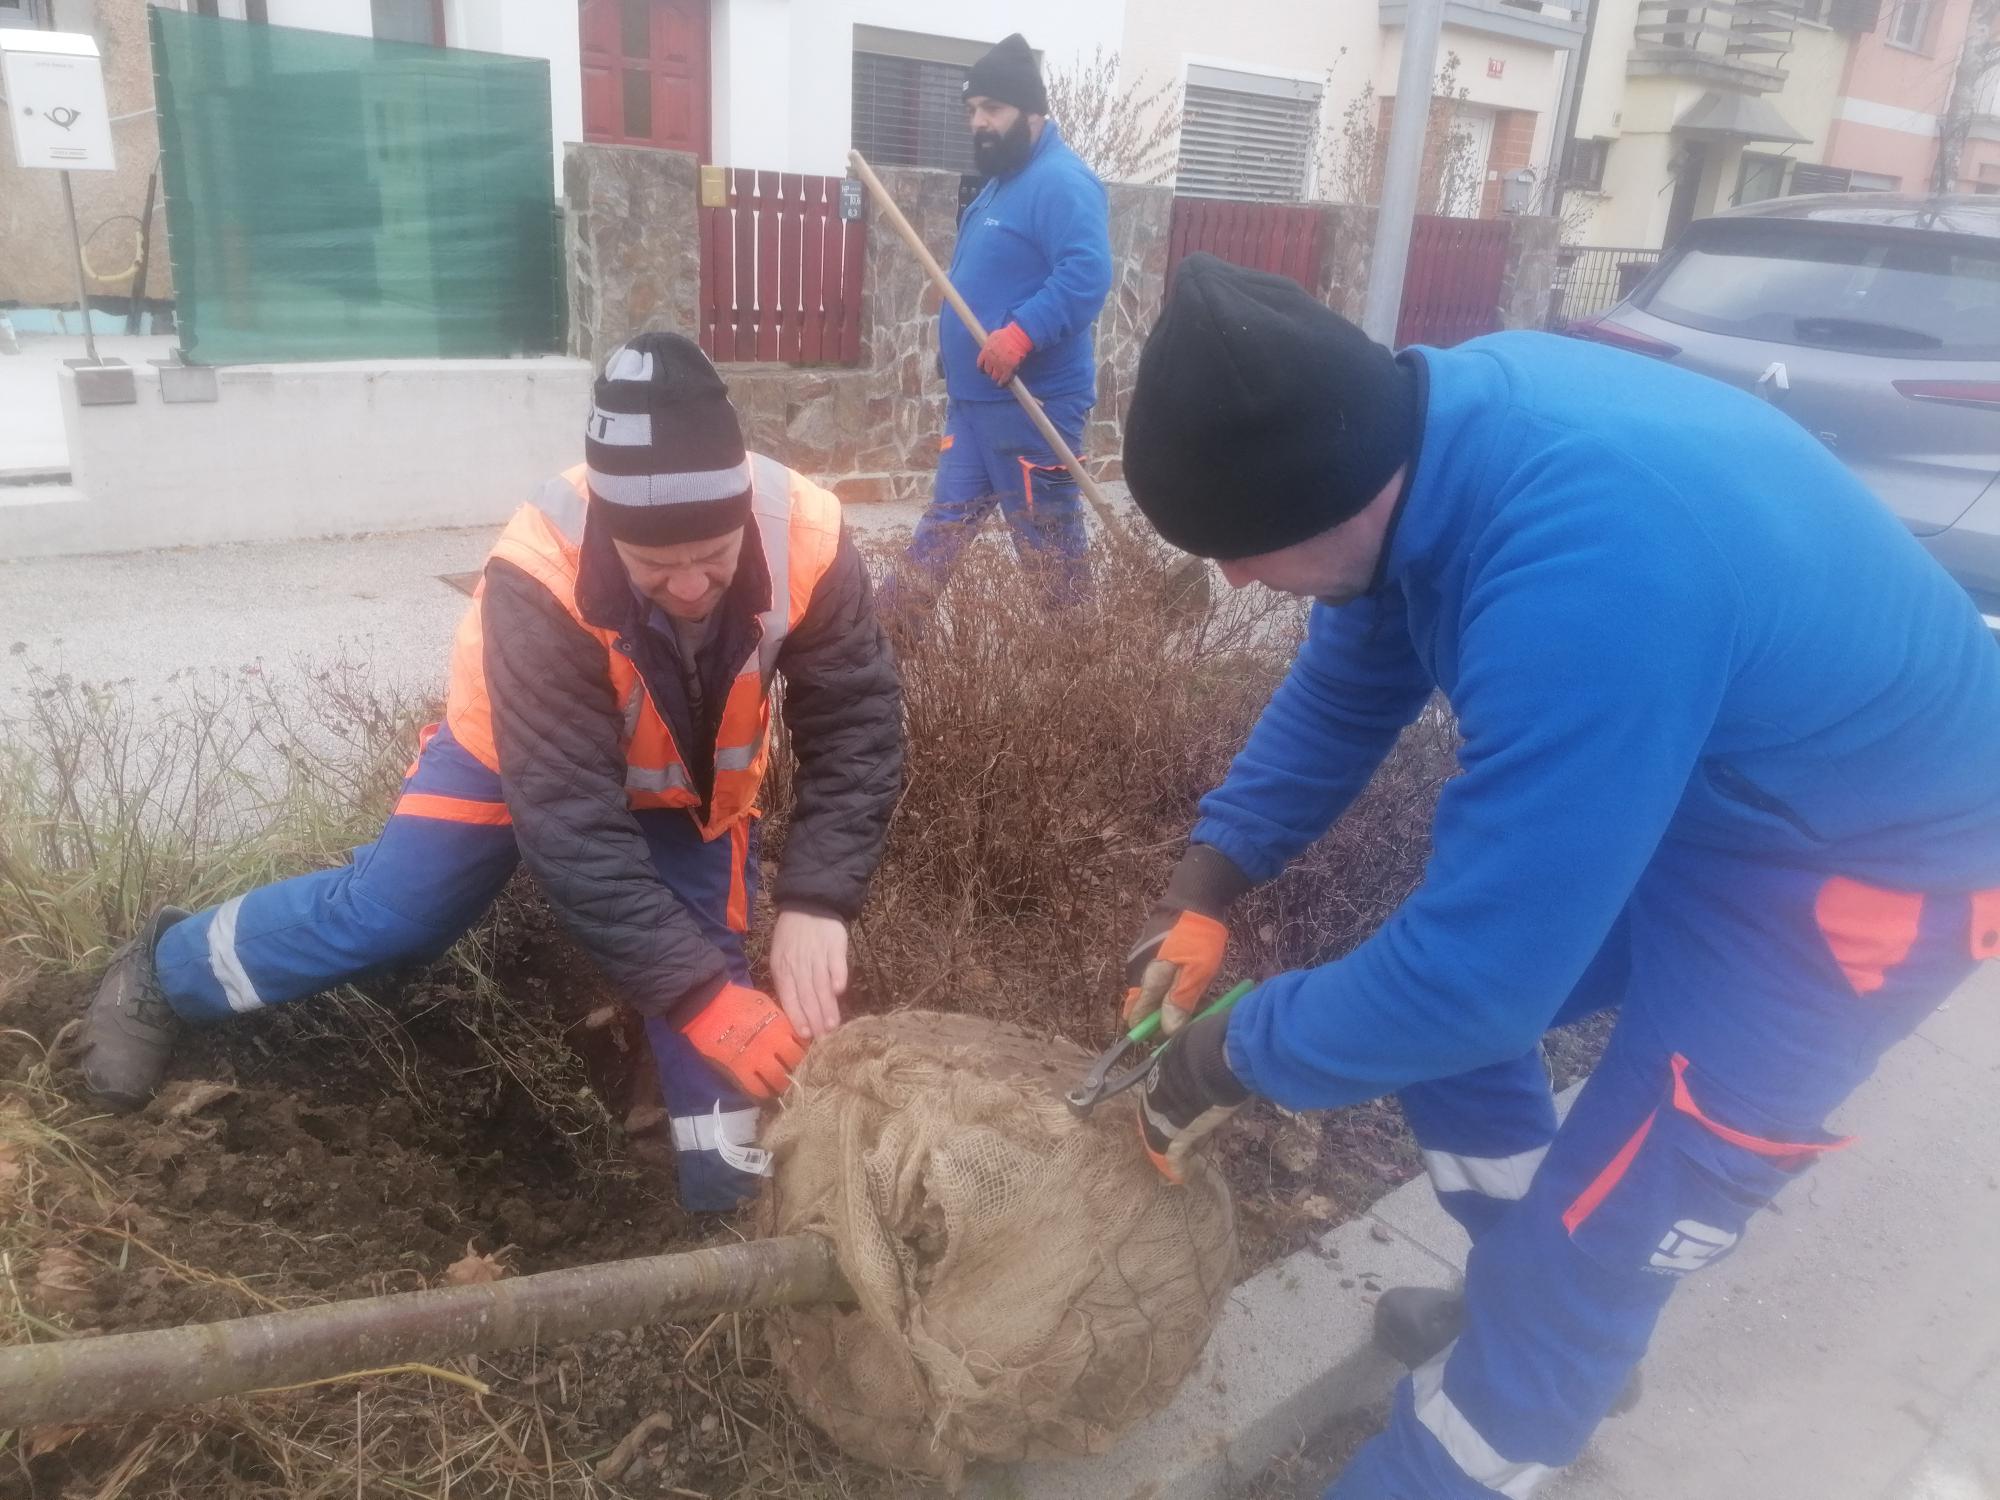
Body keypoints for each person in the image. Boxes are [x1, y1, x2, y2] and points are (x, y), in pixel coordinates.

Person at [1116, 254, 2000, 1498]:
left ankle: (1517, 1389)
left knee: (1594, 1247)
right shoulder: (1424, 440)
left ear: (1327, 498)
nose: (1231, 583)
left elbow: (1467, 986)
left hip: (1862, 875)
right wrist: (1204, 888)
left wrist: (1223, 1056)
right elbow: (1345, 685)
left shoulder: (1584, 568)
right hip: (1710, 781)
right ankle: (1515, 1283)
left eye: (1238, 550)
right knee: (1460, 1076)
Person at [80, 332, 903, 1212]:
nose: (694, 587)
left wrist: (817, 899)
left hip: (686, 782)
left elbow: (855, 722)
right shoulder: (539, 569)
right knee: (395, 914)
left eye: (713, 558)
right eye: (656, 567)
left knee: (715, 991)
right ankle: (164, 969)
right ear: (610, 534)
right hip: (511, 753)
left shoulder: (807, 536)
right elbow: (570, 822)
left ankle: (730, 1219)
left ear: (743, 512)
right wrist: (694, 991)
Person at [898, 31, 1112, 607]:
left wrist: (1019, 332)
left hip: (1031, 403)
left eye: (993, 108)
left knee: (1052, 564)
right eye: (972, 110)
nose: (979, 123)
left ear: (1033, 112)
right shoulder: (1000, 187)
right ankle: (878, 650)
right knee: (938, 537)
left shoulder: (1063, 183)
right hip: (974, 404)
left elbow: (1086, 274)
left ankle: (1083, 678)